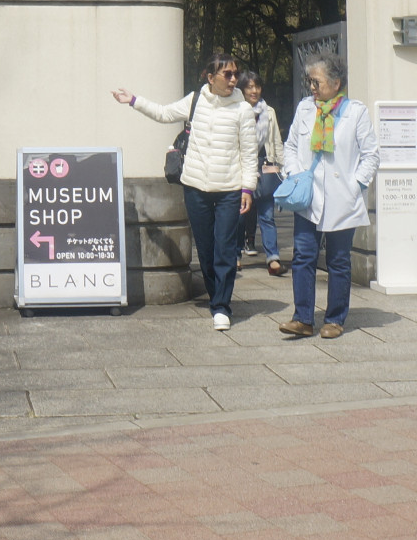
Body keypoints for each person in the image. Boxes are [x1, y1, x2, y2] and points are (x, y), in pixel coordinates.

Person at [113, 52, 258, 330]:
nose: (233, 79)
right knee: (204, 248)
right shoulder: (195, 101)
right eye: (227, 74)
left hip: (229, 189)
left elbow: (249, 154)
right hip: (195, 187)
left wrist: (247, 188)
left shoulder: (242, 110)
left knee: (225, 248)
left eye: (235, 74)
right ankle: (216, 294)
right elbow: (164, 113)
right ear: (210, 76)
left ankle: (221, 307)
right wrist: (133, 101)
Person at [277, 57, 378, 340]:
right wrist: (297, 175)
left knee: (338, 260)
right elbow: (292, 145)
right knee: (304, 256)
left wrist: (356, 185)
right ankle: (303, 318)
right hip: (309, 196)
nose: (312, 87)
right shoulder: (305, 108)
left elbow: (371, 154)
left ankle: (334, 319)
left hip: (342, 198)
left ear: (336, 83)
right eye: (310, 81)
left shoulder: (355, 112)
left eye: (317, 82)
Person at [238, 72, 284, 271]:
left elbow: (276, 142)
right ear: (242, 90)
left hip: (266, 166)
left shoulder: (269, 112)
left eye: (257, 86)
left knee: (267, 215)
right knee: (238, 215)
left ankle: (273, 258)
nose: (254, 91)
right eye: (249, 87)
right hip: (241, 168)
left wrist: (284, 169)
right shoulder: (235, 110)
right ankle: (234, 254)